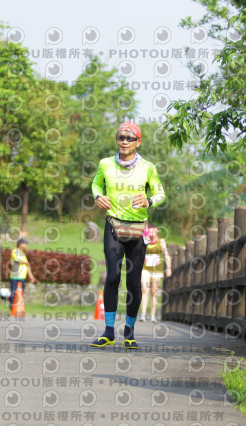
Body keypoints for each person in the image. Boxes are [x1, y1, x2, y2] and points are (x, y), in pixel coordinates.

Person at [90, 121, 166, 349]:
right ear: (117, 140)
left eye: (129, 138)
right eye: (121, 137)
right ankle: (109, 331)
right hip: (113, 226)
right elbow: (95, 185)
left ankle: (130, 333)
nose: (124, 141)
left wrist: (149, 200)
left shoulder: (147, 167)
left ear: (138, 142)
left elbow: (160, 192)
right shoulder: (105, 164)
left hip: (138, 230)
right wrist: (97, 197)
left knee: (133, 283)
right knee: (112, 276)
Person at [139, 224, 171, 323]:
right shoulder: (145, 240)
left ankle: (152, 315)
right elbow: (138, 253)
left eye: (153, 231)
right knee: (145, 290)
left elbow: (166, 254)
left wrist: (169, 268)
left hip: (157, 270)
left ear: (157, 230)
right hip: (145, 268)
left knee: (154, 292)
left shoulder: (161, 241)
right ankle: (143, 315)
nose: (151, 233)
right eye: (149, 231)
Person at [9, 238, 39, 306]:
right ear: (20, 244)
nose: (26, 246)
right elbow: (18, 261)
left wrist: (31, 277)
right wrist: (26, 263)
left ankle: (18, 307)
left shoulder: (23, 254)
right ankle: (12, 307)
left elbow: (27, 266)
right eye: (25, 244)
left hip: (22, 277)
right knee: (14, 293)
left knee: (21, 293)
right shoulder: (15, 251)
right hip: (15, 276)